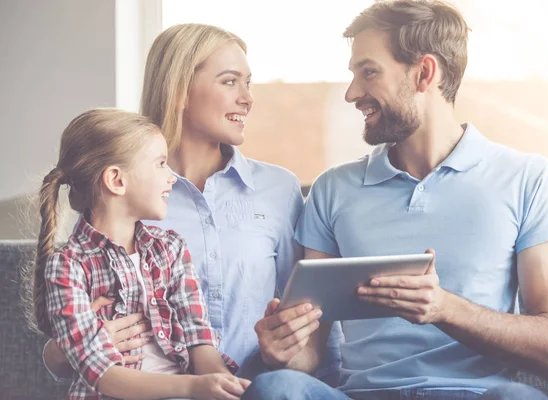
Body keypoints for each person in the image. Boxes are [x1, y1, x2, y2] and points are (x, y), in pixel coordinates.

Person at [244, 1, 548, 399]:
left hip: (476, 395)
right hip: (360, 395)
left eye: (369, 72)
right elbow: (309, 356)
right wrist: (281, 348)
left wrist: (444, 308)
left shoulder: (530, 179)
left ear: (424, 73)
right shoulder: (332, 189)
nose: (353, 93)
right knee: (277, 388)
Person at [41, 24, 342, 385]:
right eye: (230, 81)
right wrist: (71, 347)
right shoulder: (128, 192)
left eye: (248, 82)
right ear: (180, 90)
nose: (248, 97)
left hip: (254, 385)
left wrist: (291, 363)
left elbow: (312, 326)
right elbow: (69, 333)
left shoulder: (278, 189)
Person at [26, 109, 250, 399]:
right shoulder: (68, 268)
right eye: (160, 164)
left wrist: (223, 384)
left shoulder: (171, 249)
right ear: (116, 180)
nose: (171, 178)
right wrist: (195, 386)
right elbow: (104, 376)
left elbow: (199, 340)